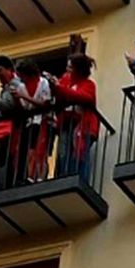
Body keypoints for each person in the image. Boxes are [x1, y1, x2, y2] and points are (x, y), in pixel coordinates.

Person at [54, 54, 100, 184]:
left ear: (78, 70)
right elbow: (58, 96)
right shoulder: (65, 80)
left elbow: (86, 98)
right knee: (63, 154)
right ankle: (64, 180)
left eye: (71, 67)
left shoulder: (89, 84)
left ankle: (79, 181)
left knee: (79, 156)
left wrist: (60, 88)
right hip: (66, 123)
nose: (68, 69)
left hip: (83, 126)